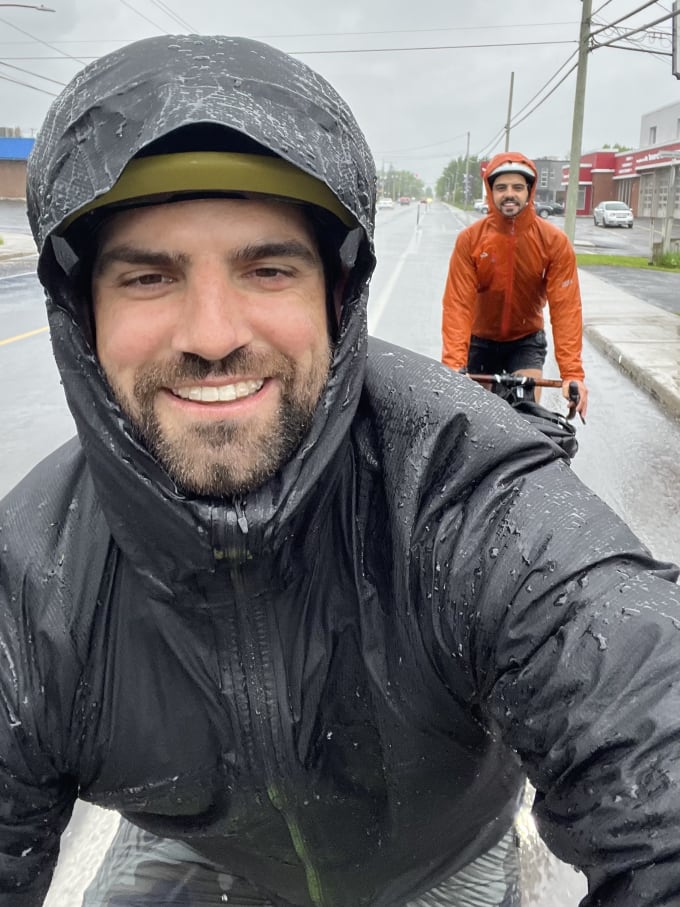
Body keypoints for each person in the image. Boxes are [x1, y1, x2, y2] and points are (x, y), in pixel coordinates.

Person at [2, 33, 680, 907]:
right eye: (146, 277)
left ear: (337, 297)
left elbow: (644, 711)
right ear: (81, 317)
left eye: (270, 268)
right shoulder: (32, 587)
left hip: (440, 858)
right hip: (213, 857)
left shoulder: (466, 500)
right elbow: (459, 303)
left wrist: (560, 365)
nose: (212, 334)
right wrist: (453, 355)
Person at [441, 152, 589, 420]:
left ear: (529, 192)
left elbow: (565, 309)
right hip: (479, 342)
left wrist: (572, 374)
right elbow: (458, 305)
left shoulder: (553, 242)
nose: (510, 194)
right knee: (475, 421)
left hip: (525, 342)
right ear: (490, 191)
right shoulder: (470, 241)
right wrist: (453, 364)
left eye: (517, 187)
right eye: (501, 188)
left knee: (525, 419)